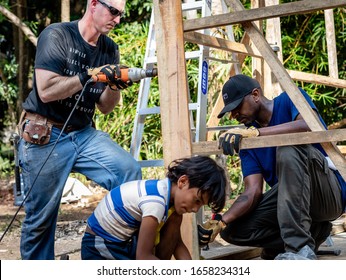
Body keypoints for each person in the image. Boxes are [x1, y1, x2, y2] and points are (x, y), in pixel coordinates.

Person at [18, 0, 142, 260]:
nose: (118, 20)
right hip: (47, 133)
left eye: (121, 14)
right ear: (94, 4)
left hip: (83, 134)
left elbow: (105, 107)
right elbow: (46, 90)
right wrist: (89, 75)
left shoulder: (110, 48)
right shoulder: (57, 35)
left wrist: (114, 86)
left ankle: (119, 252)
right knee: (41, 219)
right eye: (114, 12)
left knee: (129, 171)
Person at [199, 74, 346, 260]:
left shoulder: (290, 98)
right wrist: (221, 222)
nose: (233, 115)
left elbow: (309, 125)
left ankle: (298, 249)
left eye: (237, 107)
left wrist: (257, 133)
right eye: (230, 111)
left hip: (328, 194)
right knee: (232, 230)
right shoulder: (247, 140)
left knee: (288, 148)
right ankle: (315, 231)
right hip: (292, 200)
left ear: (255, 95)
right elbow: (252, 192)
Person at [81, 155, 227, 260]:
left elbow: (177, 244)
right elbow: (143, 257)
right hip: (99, 248)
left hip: (123, 244)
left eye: (201, 205)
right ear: (183, 181)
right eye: (197, 200)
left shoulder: (168, 199)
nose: (196, 209)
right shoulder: (155, 202)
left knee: (176, 216)